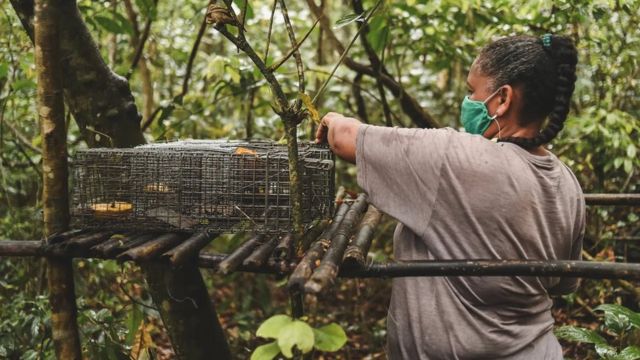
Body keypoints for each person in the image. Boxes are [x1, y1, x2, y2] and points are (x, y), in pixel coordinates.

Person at [315, 34, 584, 359]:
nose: (468, 100)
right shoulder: (567, 182)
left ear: (503, 99)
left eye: (472, 90)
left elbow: (344, 138)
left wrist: (331, 119)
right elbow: (564, 284)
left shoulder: (458, 157)